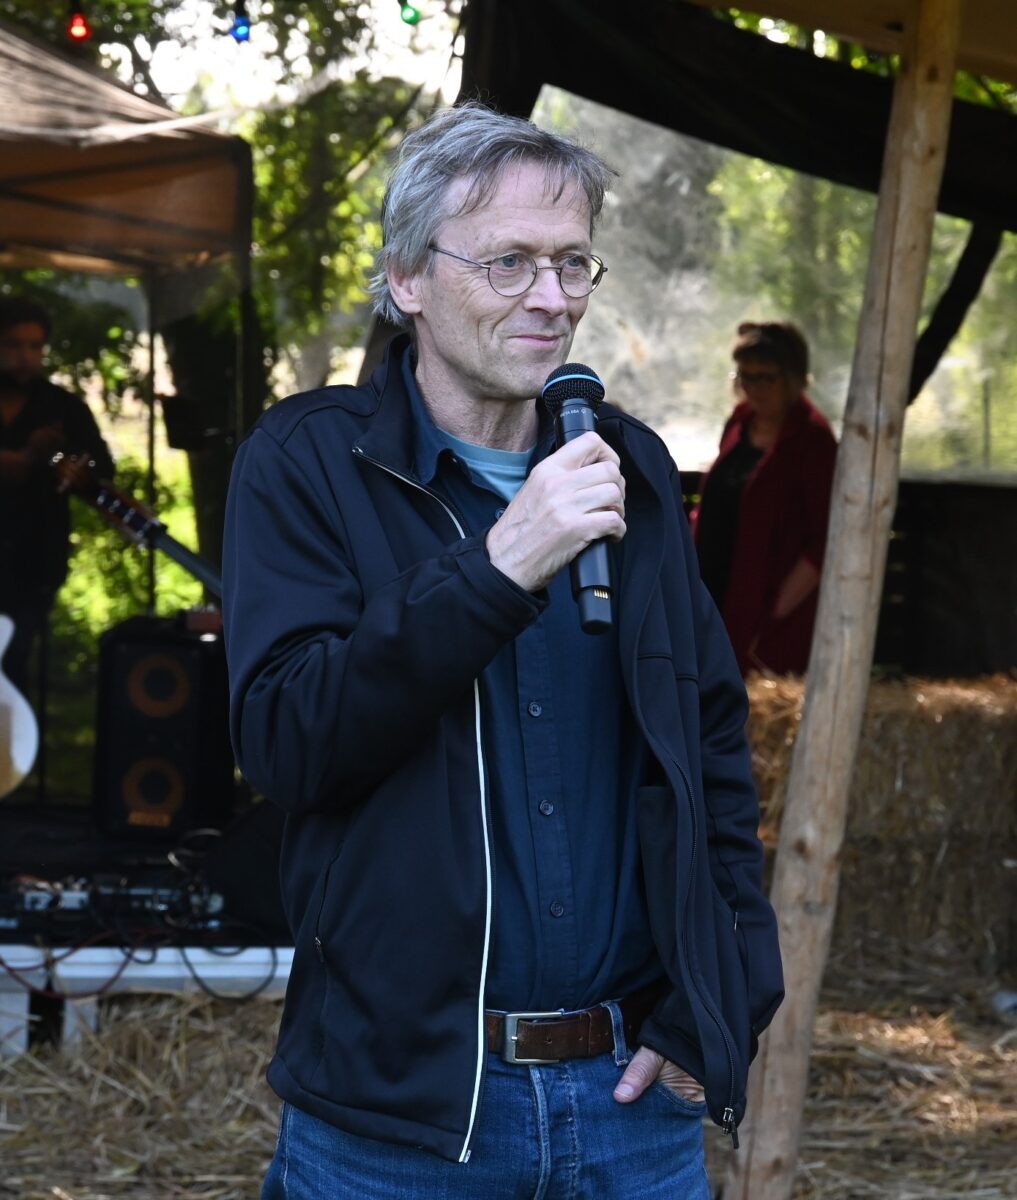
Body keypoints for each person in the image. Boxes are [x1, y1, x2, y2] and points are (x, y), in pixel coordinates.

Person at [223, 103, 783, 1199]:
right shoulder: (309, 463)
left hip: (629, 1107)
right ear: (408, 278)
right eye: (509, 262)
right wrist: (498, 566)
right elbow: (289, 743)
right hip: (400, 1119)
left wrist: (724, 996)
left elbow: (709, 744)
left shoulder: (626, 467)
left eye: (573, 263)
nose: (551, 298)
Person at [691, 321, 837, 676]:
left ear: (794, 378)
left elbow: (824, 541)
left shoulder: (814, 440)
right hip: (712, 593)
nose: (754, 388)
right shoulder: (740, 421)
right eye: (746, 376)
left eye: (766, 378)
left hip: (768, 615)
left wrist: (773, 614)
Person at [0, 297, 114, 699]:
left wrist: (74, 468)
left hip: (34, 559)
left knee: (15, 663)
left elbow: (100, 468)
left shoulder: (62, 407)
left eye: (34, 346)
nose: (25, 356)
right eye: (13, 344)